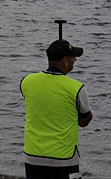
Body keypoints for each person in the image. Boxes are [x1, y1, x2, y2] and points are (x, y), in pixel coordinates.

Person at [20, 39, 93, 179]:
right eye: (73, 57)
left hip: (33, 156)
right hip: (64, 158)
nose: (75, 60)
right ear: (65, 60)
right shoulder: (77, 88)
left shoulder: (26, 81)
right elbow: (84, 121)